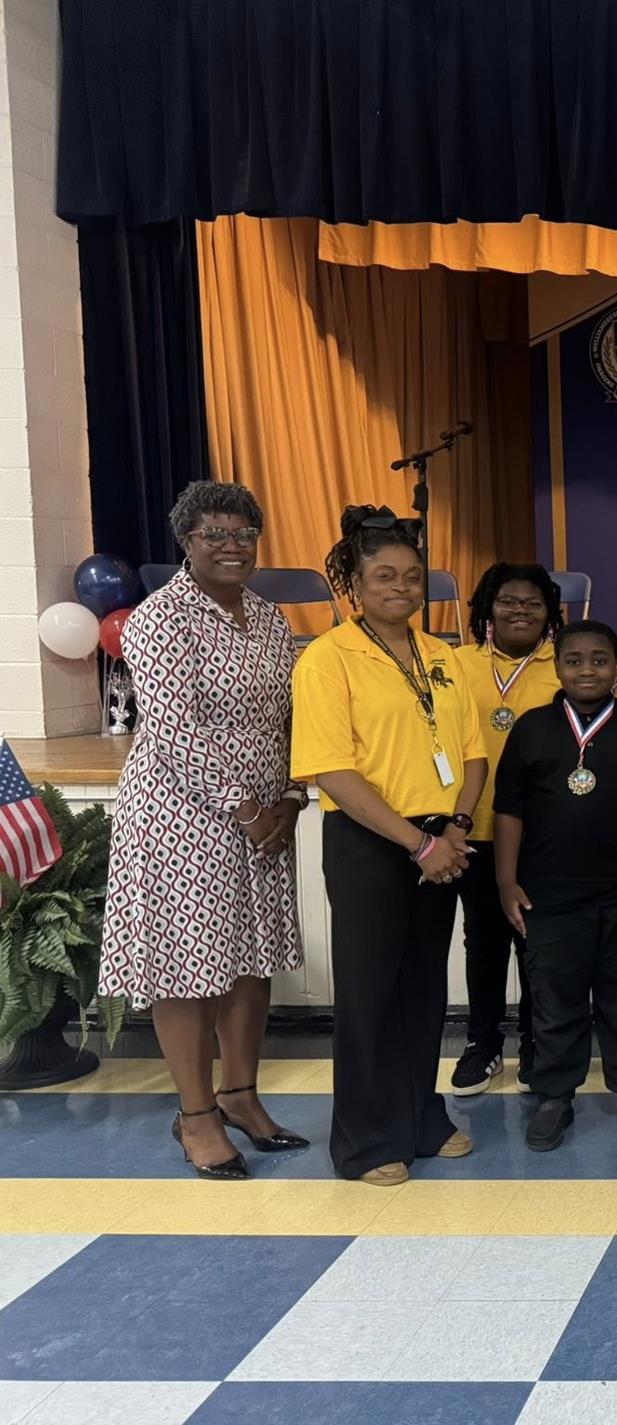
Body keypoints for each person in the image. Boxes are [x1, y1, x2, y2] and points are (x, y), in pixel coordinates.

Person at [101, 481, 308, 1180]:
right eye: (213, 534)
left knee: (248, 957)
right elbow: (173, 730)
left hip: (263, 815)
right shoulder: (159, 621)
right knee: (187, 964)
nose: (231, 545)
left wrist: (286, 796)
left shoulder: (268, 618)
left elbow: (287, 716)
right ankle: (196, 1117)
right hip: (179, 815)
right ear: (185, 543)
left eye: (244, 533)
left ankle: (242, 1095)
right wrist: (244, 808)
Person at [291, 506, 487, 1184]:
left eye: (412, 575)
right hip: (372, 840)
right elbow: (335, 771)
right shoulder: (326, 659)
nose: (402, 587)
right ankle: (367, 1140)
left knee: (423, 988)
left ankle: (420, 1117)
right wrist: (416, 843)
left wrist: (455, 830)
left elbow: (473, 756)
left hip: (442, 839)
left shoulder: (445, 656)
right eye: (383, 575)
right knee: (370, 991)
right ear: (354, 582)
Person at [492, 620, 617, 1152]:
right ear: (557, 667)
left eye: (599, 660)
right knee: (556, 998)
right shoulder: (531, 728)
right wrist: (506, 879)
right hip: (549, 894)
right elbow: (508, 810)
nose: (587, 670)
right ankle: (554, 1094)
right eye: (574, 660)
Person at [447, 562, 563, 1098]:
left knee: (536, 942)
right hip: (470, 827)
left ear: (550, 614)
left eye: (533, 604)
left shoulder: (564, 667)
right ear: (487, 609)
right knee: (483, 942)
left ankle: (538, 1042)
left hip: (541, 833)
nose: (521, 611)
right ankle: (483, 1043)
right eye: (509, 601)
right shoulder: (455, 663)